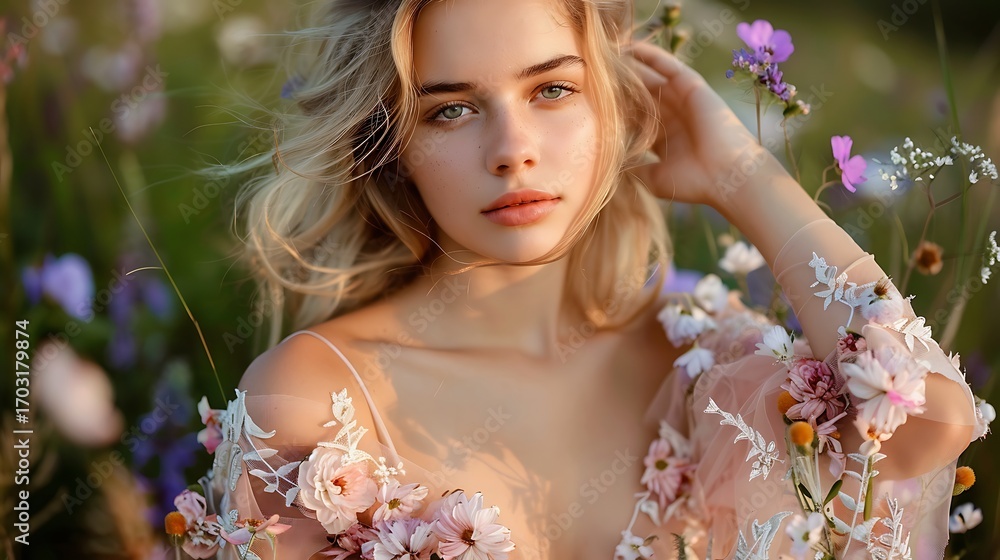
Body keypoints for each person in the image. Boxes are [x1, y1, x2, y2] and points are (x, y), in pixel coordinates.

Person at [200, 0, 982, 558]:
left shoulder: (704, 366)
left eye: (553, 90)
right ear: (392, 142)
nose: (513, 148)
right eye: (451, 110)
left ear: (615, 106)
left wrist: (743, 175)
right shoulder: (320, 400)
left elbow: (928, 419)